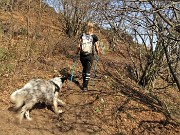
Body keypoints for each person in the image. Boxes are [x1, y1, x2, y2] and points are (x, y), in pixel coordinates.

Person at [75, 22, 100, 91]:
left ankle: (83, 83)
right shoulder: (94, 37)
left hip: (82, 55)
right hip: (90, 56)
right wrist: (98, 52)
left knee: (84, 68)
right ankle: (85, 86)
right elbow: (97, 47)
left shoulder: (82, 35)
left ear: (86, 27)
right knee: (88, 70)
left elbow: (78, 46)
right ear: (92, 28)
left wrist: (76, 53)